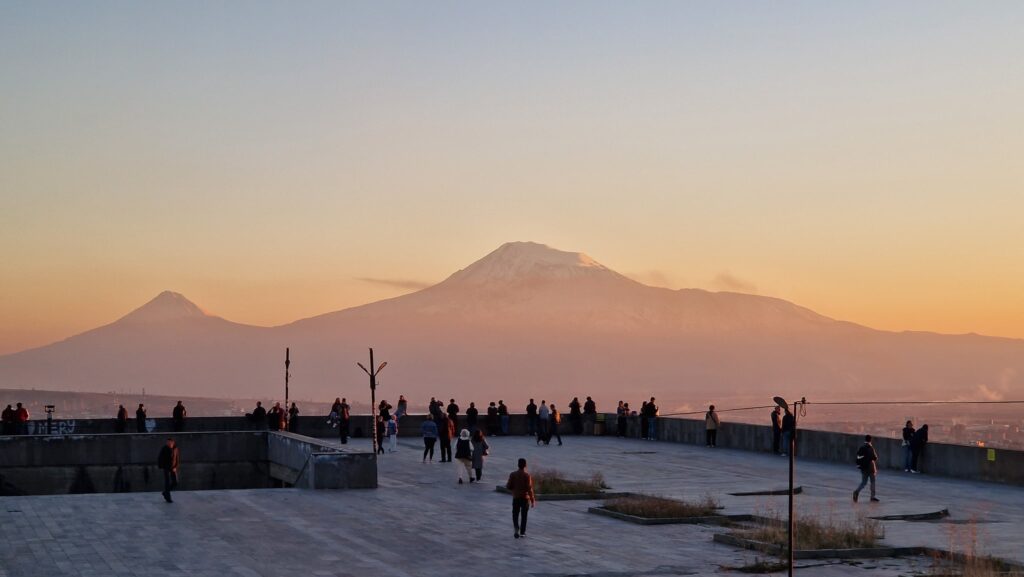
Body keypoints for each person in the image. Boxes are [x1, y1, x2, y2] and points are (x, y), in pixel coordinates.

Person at [506, 458, 536, 539]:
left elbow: (508, 486)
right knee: (524, 515)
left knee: (515, 514)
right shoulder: (527, 476)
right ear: (525, 465)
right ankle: (522, 532)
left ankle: (516, 527)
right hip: (525, 498)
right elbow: (529, 489)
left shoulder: (512, 474)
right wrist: (533, 500)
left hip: (516, 497)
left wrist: (514, 489)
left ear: (518, 465)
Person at [853, 434, 879, 503]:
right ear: (870, 440)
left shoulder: (862, 447)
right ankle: (872, 497)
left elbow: (858, 457)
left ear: (865, 439)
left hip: (863, 468)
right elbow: (875, 458)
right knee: (872, 482)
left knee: (863, 482)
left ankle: (856, 491)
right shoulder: (870, 448)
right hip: (870, 467)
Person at [157, 437, 180, 503]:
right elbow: (160, 458)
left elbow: (177, 458)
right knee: (167, 482)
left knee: (175, 482)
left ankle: (165, 492)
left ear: (173, 442)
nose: (168, 443)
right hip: (166, 467)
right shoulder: (164, 448)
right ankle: (168, 498)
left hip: (173, 468)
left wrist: (176, 467)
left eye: (169, 442)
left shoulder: (175, 448)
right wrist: (162, 466)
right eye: (167, 442)